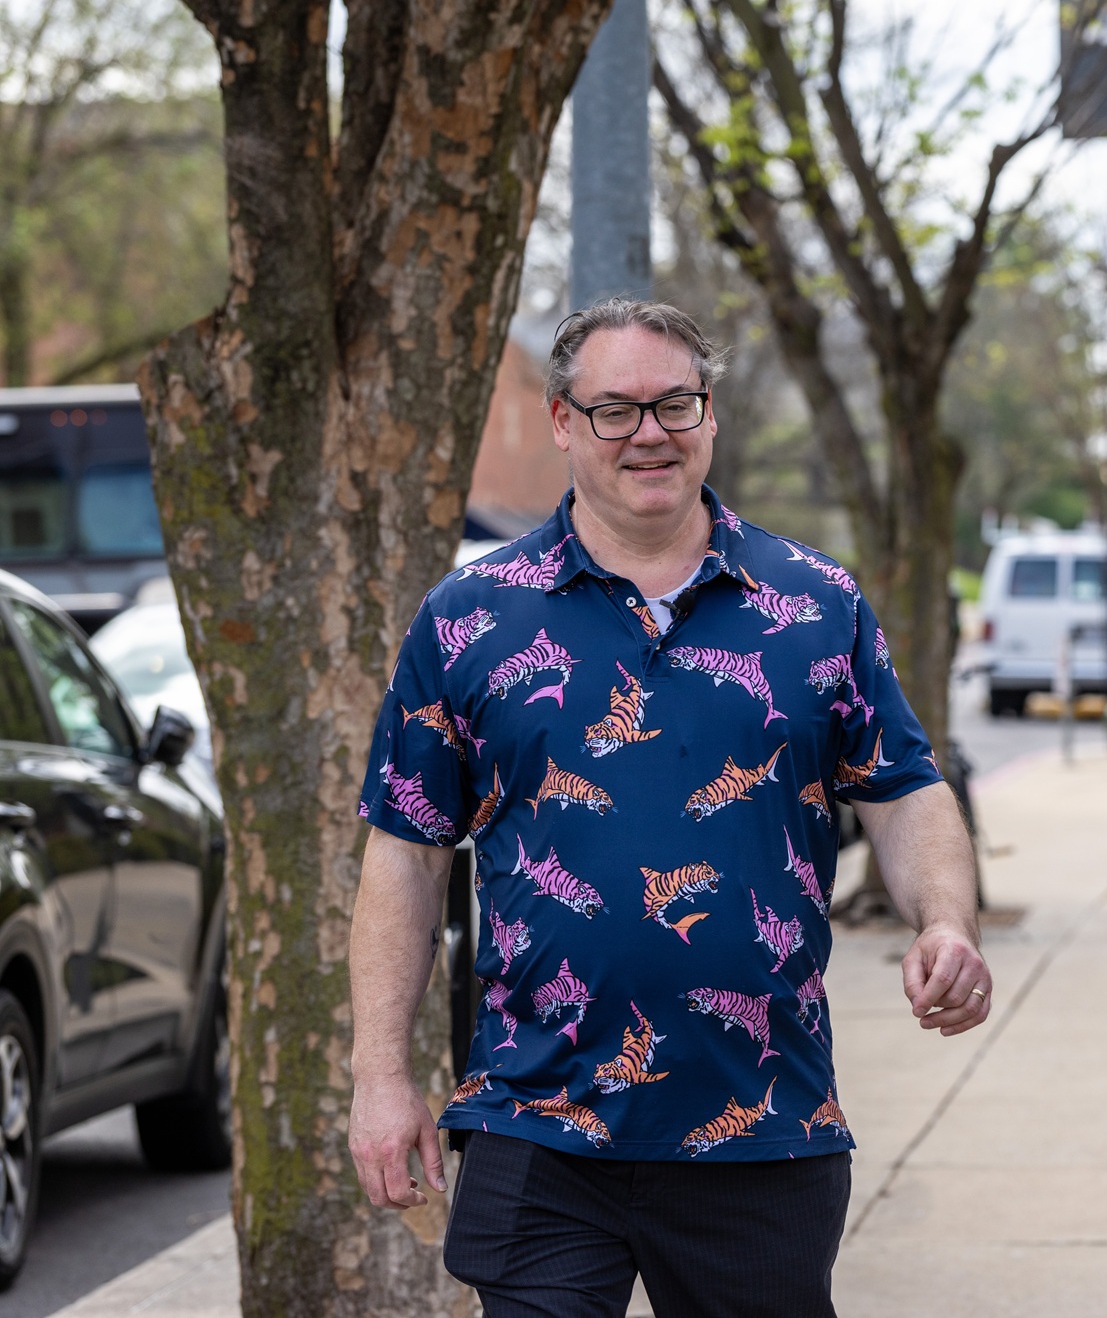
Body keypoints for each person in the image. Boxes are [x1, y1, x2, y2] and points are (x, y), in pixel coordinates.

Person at [346, 298, 991, 1318]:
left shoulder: (815, 604)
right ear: (563, 422)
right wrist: (379, 1075)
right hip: (537, 1119)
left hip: (762, 1120)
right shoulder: (470, 616)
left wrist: (946, 921)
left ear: (710, 414)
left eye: (674, 404)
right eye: (615, 409)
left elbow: (903, 790)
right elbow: (407, 852)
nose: (649, 432)